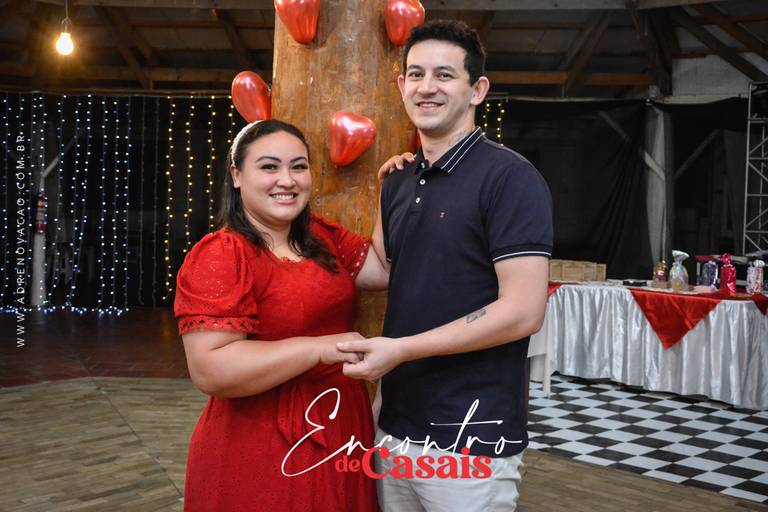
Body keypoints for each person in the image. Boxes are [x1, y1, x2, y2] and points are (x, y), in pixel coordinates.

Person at [338, 20, 554, 511]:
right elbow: (381, 270)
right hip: (395, 424)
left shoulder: (510, 178)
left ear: (477, 90)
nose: (426, 86)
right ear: (401, 86)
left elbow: (523, 312)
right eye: (416, 74)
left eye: (444, 75)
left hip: (471, 434)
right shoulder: (398, 179)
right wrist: (282, 233)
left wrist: (400, 350)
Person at [173, 119, 388, 511]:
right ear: (237, 175)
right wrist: (319, 349)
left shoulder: (321, 237)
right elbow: (210, 370)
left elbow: (383, 269)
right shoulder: (223, 254)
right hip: (262, 438)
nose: (287, 180)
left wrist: (394, 190)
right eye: (269, 167)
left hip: (339, 422)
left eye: (298, 167)